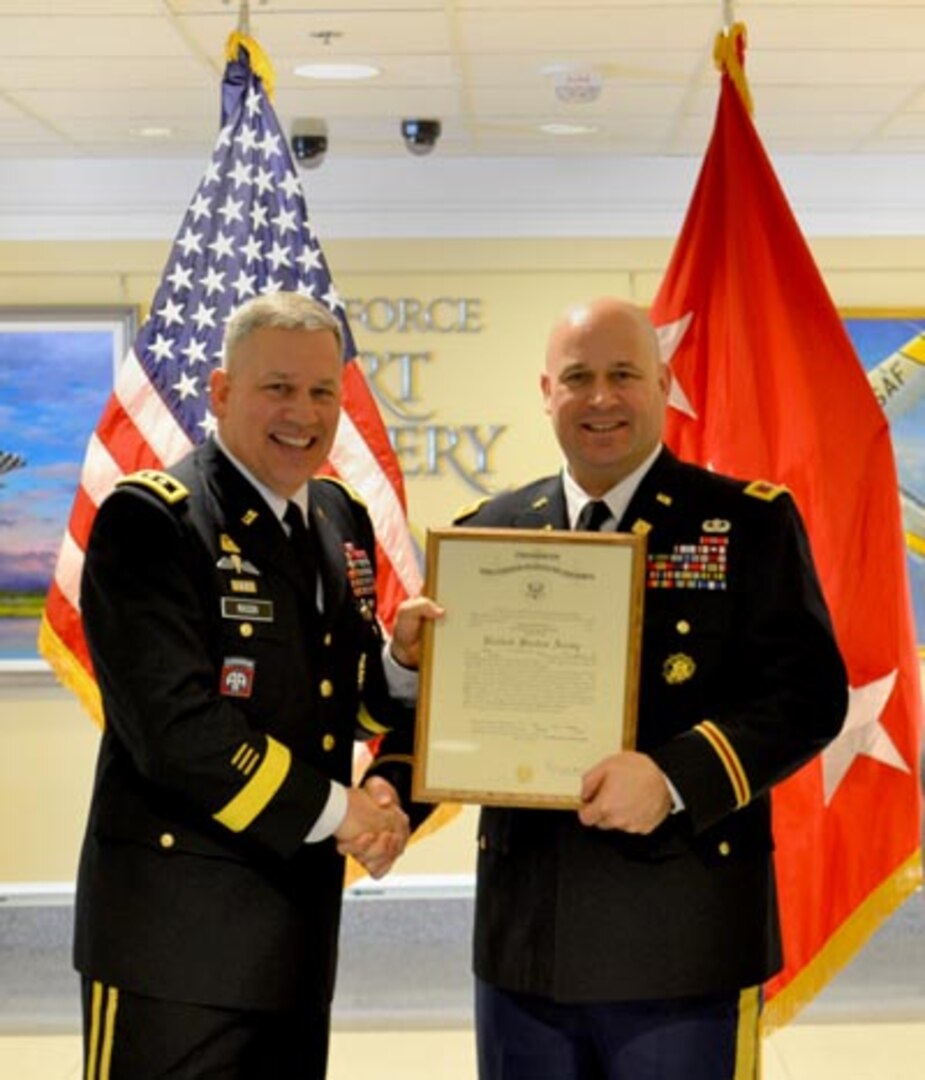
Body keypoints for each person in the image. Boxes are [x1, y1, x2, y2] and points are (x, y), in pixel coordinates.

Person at [448, 297, 848, 1079]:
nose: (600, 398)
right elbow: (451, 718)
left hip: (681, 942)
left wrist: (671, 778)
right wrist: (408, 672)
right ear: (545, 391)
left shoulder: (742, 522)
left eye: (622, 375)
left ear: (661, 383)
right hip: (523, 944)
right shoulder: (489, 532)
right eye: (578, 378)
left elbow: (808, 696)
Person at [74, 292, 437, 1079]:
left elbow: (340, 698)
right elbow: (178, 735)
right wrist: (347, 813)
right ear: (221, 392)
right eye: (277, 387)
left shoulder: (338, 516)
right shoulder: (153, 521)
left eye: (320, 392)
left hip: (294, 939)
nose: (301, 413)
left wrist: (402, 664)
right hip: (170, 949)